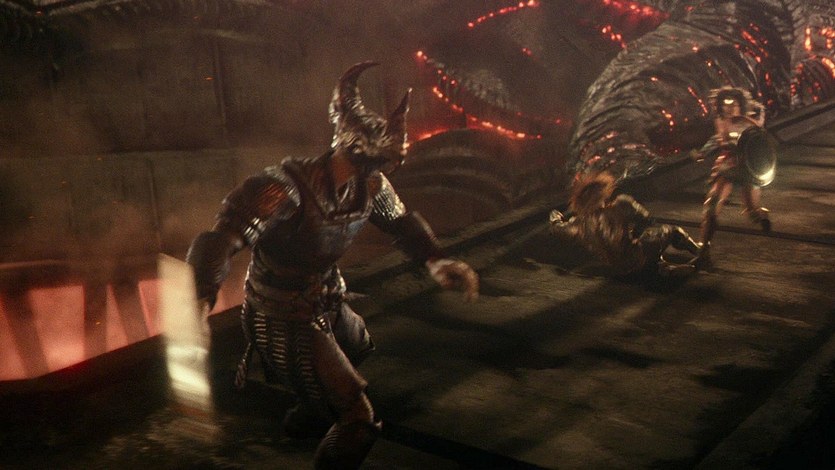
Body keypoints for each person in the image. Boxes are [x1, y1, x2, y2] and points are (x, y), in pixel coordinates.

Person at [185, 62, 479, 469]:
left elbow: (400, 222)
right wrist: (199, 301)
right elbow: (221, 239)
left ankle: (309, 415)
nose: (384, 166)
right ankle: (326, 419)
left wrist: (436, 259)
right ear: (352, 143)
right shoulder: (283, 188)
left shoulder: (370, 184)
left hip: (327, 299)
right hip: (280, 313)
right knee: (359, 419)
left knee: (356, 347)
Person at [549, 171, 700, 278]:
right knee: (671, 231)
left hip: (614, 268)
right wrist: (636, 234)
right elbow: (647, 219)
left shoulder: (578, 224)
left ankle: (663, 267)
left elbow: (557, 228)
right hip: (636, 255)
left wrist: (555, 217)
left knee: (645, 248)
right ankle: (699, 252)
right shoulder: (620, 204)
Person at [694, 86, 770, 265]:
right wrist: (703, 152)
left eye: (732, 104)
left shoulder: (750, 123)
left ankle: (762, 216)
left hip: (746, 167)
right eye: (725, 104)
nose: (728, 108)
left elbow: (759, 140)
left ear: (740, 105)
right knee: (711, 206)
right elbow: (718, 138)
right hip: (726, 166)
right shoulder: (721, 121)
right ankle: (704, 248)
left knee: (752, 211)